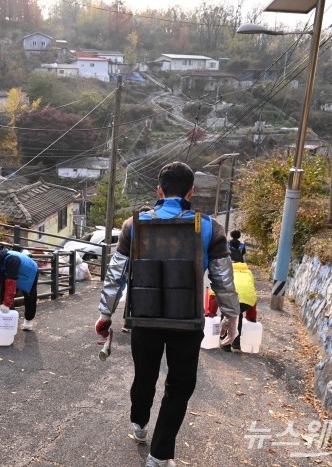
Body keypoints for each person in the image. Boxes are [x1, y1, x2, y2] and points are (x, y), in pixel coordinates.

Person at [94, 161, 240, 467]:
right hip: (187, 322)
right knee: (180, 385)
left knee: (144, 374)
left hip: (144, 319)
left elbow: (116, 273)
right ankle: (159, 455)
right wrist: (231, 316)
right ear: (191, 192)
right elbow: (222, 277)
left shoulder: (133, 225)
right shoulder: (210, 227)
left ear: (159, 190)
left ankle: (139, 425)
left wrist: (105, 313)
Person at [207, 260, 258, 352]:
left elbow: (214, 293)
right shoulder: (248, 272)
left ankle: (226, 343)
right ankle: (236, 343)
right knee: (237, 313)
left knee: (227, 312)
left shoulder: (224, 271)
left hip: (230, 299)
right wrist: (251, 317)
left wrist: (211, 312)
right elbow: (251, 291)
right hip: (247, 301)